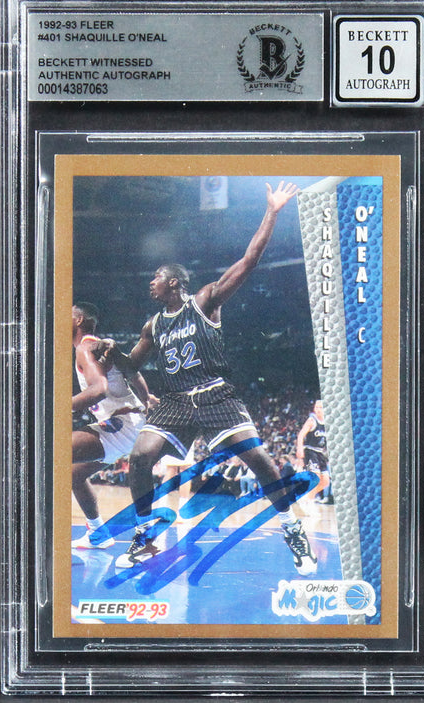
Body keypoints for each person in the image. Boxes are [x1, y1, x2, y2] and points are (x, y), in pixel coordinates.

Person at [112, 182, 318, 575]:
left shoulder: (205, 300)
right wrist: (112, 354)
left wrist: (272, 211)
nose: (151, 282)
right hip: (175, 401)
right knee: (139, 457)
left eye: (156, 276)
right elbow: (132, 364)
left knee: (259, 460)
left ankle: (292, 529)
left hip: (215, 395)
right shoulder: (152, 325)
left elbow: (250, 259)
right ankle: (143, 537)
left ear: (174, 281)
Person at [71, 302, 153, 549]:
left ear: (78, 320)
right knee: (73, 474)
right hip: (125, 424)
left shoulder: (85, 347)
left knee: (52, 453)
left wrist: (58, 408)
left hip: (123, 424)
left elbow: (99, 389)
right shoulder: (101, 346)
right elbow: (133, 372)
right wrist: (146, 399)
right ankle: (98, 533)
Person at [296, 400, 330, 511]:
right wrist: (299, 448)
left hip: (321, 452)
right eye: (316, 407)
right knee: (315, 477)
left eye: (320, 407)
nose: (318, 409)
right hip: (310, 450)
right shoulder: (312, 420)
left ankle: (305, 495)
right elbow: (301, 434)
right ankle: (309, 502)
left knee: (325, 481)